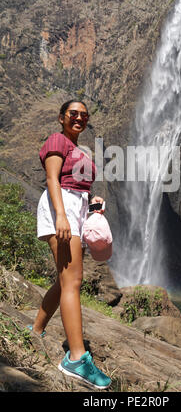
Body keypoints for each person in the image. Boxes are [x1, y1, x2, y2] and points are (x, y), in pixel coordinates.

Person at [28, 98, 111, 389]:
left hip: (76, 210)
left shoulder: (79, 150)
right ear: (62, 117)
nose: (79, 118)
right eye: (73, 113)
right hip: (59, 207)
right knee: (73, 279)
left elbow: (79, 187)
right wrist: (61, 216)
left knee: (67, 279)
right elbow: (53, 179)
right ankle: (76, 358)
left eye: (84, 115)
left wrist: (93, 203)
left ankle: (35, 329)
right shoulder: (57, 140)